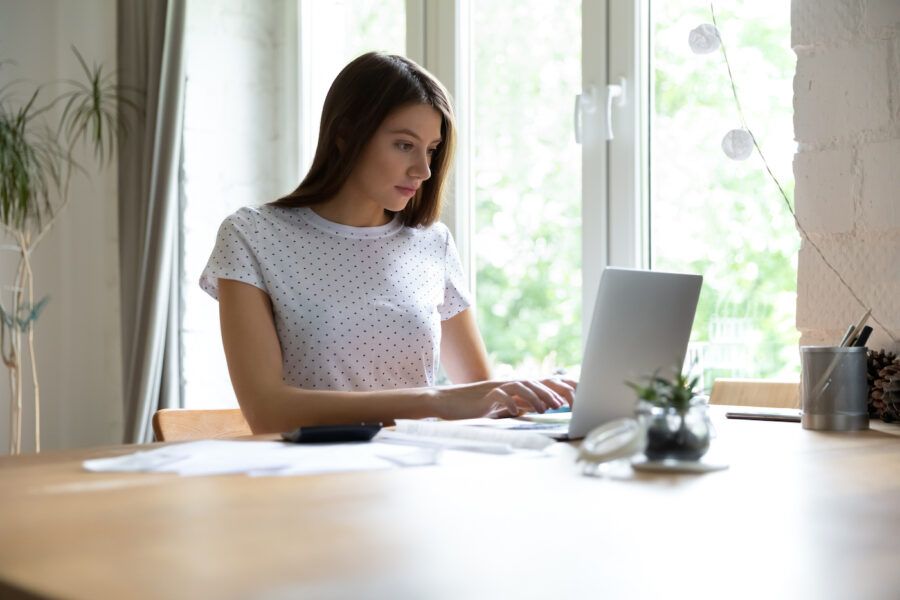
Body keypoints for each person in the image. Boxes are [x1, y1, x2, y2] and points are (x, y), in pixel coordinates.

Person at [200, 52, 575, 433]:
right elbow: (267, 411)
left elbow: (480, 397)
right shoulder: (252, 235)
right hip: (312, 480)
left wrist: (541, 396)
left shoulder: (433, 243)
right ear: (345, 136)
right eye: (403, 145)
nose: (423, 170)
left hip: (420, 473)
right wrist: (433, 400)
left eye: (431, 149)